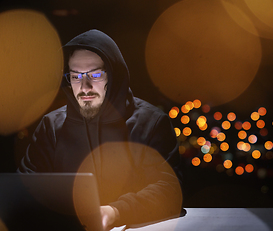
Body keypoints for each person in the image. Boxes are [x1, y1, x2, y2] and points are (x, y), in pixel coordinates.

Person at [19, 29, 183, 230]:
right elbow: (23, 188)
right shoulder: (51, 126)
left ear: (113, 75)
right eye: (76, 76)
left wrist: (114, 212)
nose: (85, 86)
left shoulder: (152, 123)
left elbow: (170, 190)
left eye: (95, 74)